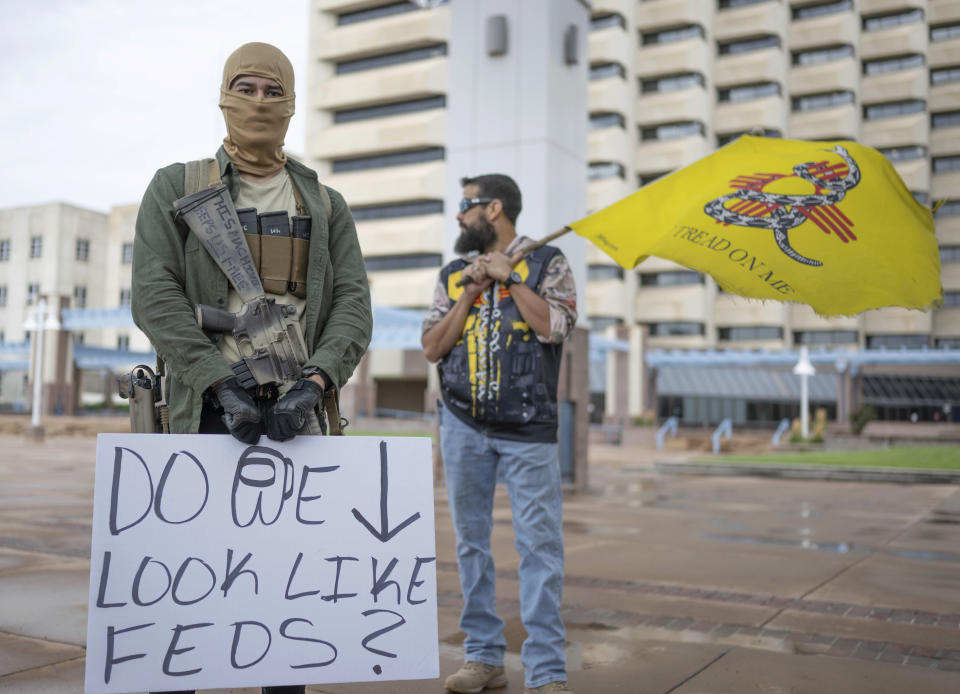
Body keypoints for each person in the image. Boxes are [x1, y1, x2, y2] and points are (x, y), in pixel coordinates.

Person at [131, 42, 372, 694]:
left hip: (298, 411)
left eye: (273, 90)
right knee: (186, 598)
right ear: (222, 95)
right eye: (245, 87)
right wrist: (217, 381)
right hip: (207, 411)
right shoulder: (178, 188)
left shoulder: (323, 204)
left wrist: (315, 382)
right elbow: (154, 298)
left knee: (285, 603)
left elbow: (352, 306)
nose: (259, 102)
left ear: (292, 102)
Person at [422, 174, 577, 694]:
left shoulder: (547, 263)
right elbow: (432, 347)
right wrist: (470, 292)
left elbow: (554, 327)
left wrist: (512, 279)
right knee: (471, 545)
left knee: (539, 548)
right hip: (462, 424)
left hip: (529, 430)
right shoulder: (452, 274)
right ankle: (484, 657)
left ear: (493, 210)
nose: (458, 216)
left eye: (465, 205)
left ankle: (547, 671)